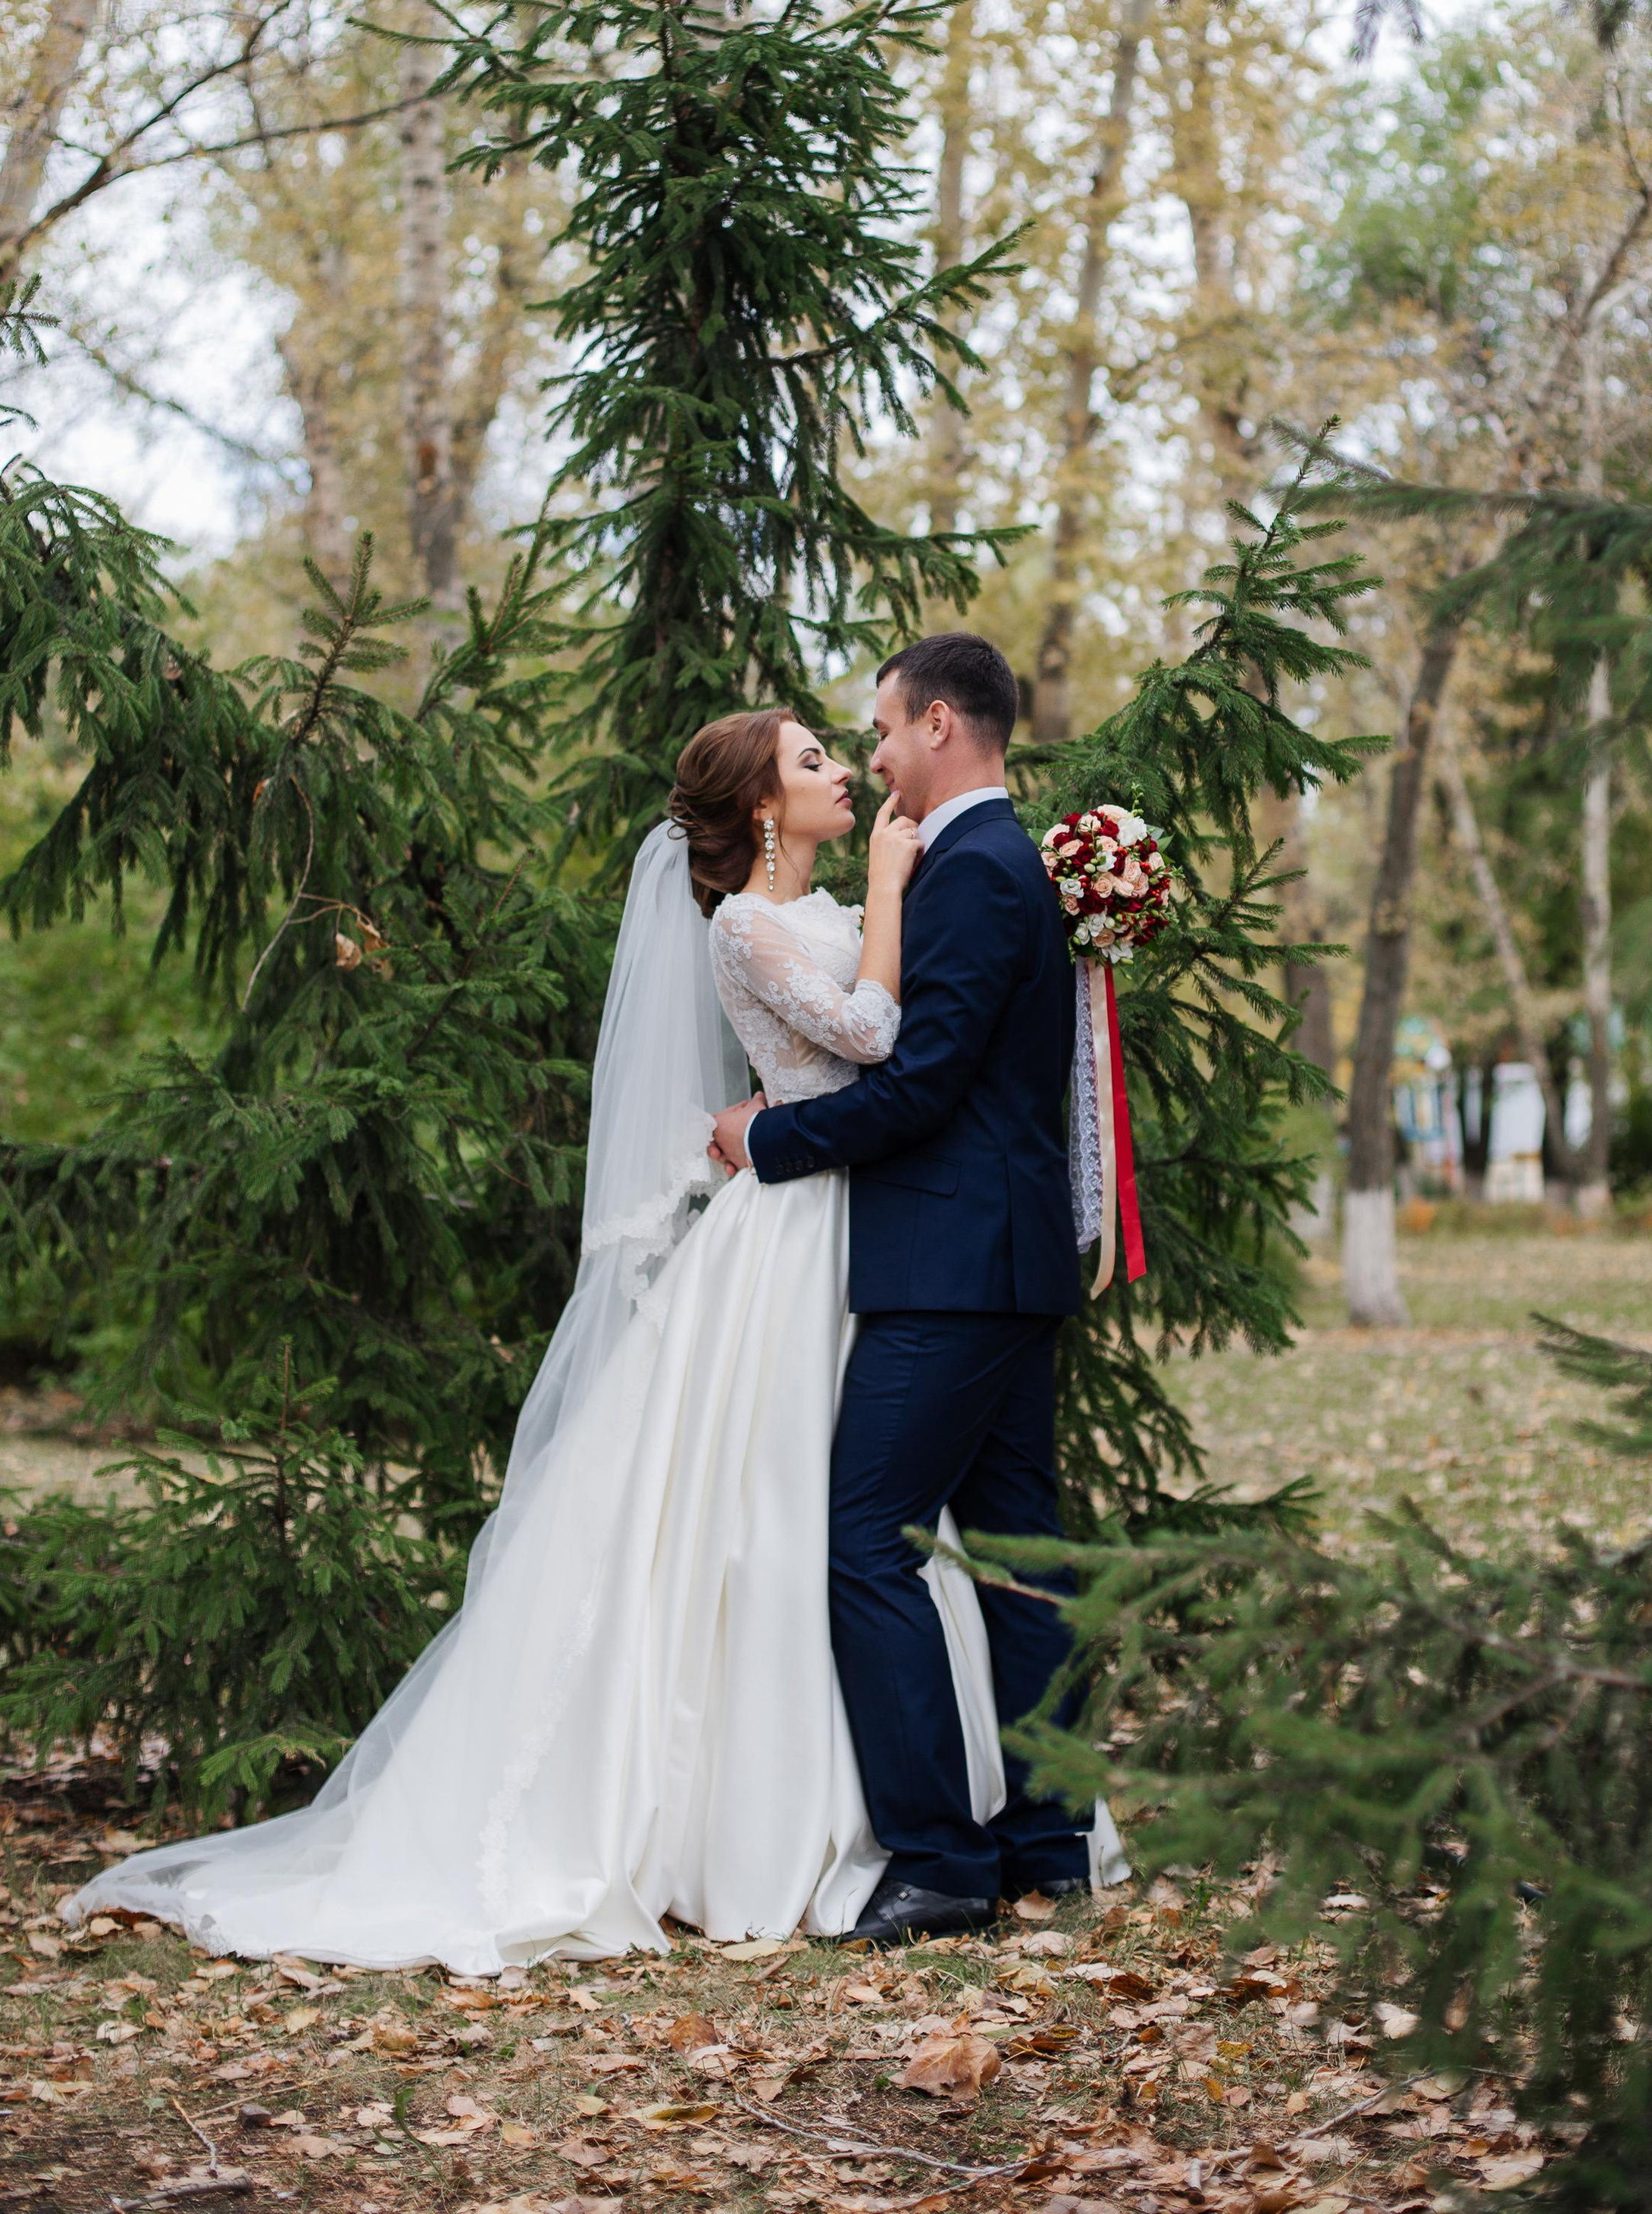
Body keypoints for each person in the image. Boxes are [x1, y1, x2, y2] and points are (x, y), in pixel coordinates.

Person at [64, 708, 1021, 1970]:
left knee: (840, 1512)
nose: (844, 768)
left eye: (838, 753)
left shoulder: (836, 905)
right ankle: (736, 1825)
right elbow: (871, 1039)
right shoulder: (745, 924)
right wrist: (893, 890)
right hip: (785, 1241)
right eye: (811, 762)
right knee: (766, 1505)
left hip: (861, 1231)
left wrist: (872, 907)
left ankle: (875, 1810)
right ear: (757, 811)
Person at [710, 631, 1119, 1947]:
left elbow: (923, 1083)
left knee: (868, 1540)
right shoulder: (996, 862)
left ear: (941, 725)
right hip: (995, 1260)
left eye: (882, 730)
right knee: (1014, 1554)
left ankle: (943, 1859)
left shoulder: (976, 872)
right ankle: (1046, 1845)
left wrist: (768, 1141)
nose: (873, 755)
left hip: (952, 1266)